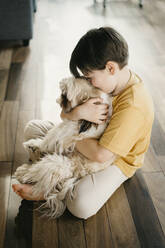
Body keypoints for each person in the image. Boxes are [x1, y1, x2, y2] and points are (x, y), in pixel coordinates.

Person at [12, 26, 154, 219]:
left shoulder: (134, 105)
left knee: (81, 205)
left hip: (115, 160)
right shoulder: (110, 81)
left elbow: (101, 155)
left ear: (110, 68)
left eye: (90, 76)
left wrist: (68, 139)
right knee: (33, 128)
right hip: (86, 141)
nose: (88, 81)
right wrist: (77, 113)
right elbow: (65, 114)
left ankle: (50, 188)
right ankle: (54, 169)